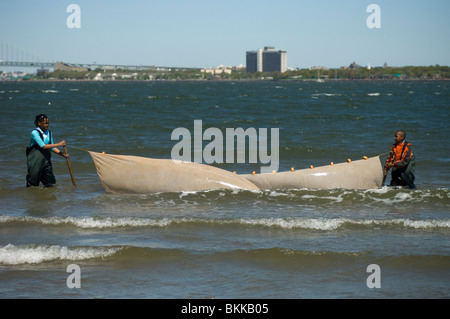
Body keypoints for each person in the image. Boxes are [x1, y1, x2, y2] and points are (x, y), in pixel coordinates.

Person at [26, 114, 69, 187]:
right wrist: (59, 144)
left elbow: (51, 147)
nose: (47, 125)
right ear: (39, 123)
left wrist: (63, 154)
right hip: (35, 163)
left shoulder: (49, 132)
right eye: (45, 123)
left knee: (51, 184)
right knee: (32, 185)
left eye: (48, 123)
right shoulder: (34, 133)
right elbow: (43, 146)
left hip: (46, 162)